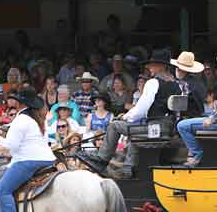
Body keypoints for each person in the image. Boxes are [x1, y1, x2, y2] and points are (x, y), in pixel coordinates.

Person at [77, 49, 181, 179]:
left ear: (161, 66)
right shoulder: (176, 84)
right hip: (167, 128)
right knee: (134, 131)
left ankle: (101, 159)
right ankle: (128, 167)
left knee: (114, 126)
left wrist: (125, 116)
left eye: (152, 65)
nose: (149, 68)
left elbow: (141, 110)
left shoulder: (153, 83)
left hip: (153, 129)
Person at [0, 89, 56, 212]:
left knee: (3, 189)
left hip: (28, 161)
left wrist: (0, 140)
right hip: (48, 160)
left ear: (19, 103)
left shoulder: (21, 119)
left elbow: (11, 148)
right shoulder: (38, 119)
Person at [172, 51, 207, 118]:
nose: (177, 69)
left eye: (180, 68)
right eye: (177, 67)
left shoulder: (189, 84)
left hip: (189, 119)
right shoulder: (195, 82)